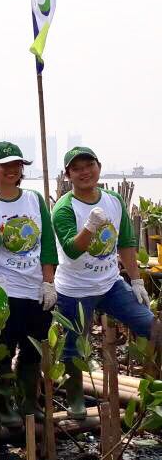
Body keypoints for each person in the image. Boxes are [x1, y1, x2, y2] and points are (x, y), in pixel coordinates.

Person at [52, 146, 161, 419]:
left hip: (111, 284)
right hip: (75, 289)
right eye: (76, 168)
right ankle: (76, 396)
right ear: (68, 175)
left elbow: (125, 241)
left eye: (89, 165)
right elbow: (72, 250)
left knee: (151, 326)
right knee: (75, 345)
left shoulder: (113, 200)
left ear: (98, 167)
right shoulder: (64, 209)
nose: (84, 172)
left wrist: (136, 281)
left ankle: (154, 388)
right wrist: (89, 227)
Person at [0, 141, 58, 424]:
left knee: (33, 349)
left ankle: (28, 401)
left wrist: (49, 282)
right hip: (1, 287)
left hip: (34, 286)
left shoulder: (34, 199)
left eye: (17, 165)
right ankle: (3, 405)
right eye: (5, 165)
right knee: (2, 349)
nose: (12, 170)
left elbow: (47, 243)